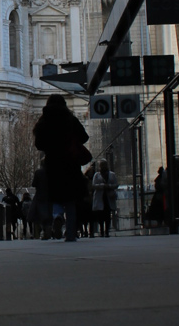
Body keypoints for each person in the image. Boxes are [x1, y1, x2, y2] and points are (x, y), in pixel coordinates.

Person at [33, 94, 90, 242]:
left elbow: (39, 144)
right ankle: (70, 233)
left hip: (53, 162)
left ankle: (57, 216)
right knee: (71, 199)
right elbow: (84, 137)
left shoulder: (44, 121)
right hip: (70, 161)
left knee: (56, 196)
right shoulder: (70, 119)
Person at [92, 160, 118, 237]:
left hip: (108, 197)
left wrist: (109, 186)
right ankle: (101, 230)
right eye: (101, 165)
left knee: (107, 214)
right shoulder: (97, 175)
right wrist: (102, 185)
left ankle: (107, 231)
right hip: (100, 197)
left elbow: (116, 184)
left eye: (104, 164)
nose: (103, 166)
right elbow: (94, 185)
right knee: (100, 215)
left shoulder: (112, 174)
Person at [30, 160, 52, 239]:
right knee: (49, 211)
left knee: (41, 213)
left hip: (40, 195)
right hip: (50, 195)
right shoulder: (51, 172)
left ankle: (45, 229)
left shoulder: (38, 172)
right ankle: (50, 226)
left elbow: (34, 184)